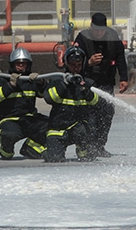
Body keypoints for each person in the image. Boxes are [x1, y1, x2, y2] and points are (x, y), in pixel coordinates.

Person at [73, 12, 128, 156]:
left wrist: (124, 78)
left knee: (107, 113)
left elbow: (120, 57)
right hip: (88, 83)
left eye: (101, 30)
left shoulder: (113, 37)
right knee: (90, 116)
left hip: (106, 81)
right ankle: (88, 146)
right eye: (96, 30)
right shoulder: (82, 38)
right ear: (91, 26)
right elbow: (73, 63)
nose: (99, 33)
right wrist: (89, 62)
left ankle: (99, 146)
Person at [42, 46, 100, 162]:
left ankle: (83, 150)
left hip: (79, 129)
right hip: (58, 129)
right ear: (66, 64)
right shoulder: (57, 80)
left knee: (88, 156)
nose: (75, 68)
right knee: (54, 158)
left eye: (78, 65)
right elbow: (49, 98)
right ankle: (48, 151)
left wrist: (85, 91)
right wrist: (64, 84)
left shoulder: (88, 83)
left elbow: (96, 102)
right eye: (72, 65)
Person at [0, 47, 48, 160]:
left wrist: (41, 83)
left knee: (50, 126)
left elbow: (44, 95)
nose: (21, 66)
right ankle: (6, 150)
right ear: (12, 64)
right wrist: (10, 86)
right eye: (18, 64)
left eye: (24, 64)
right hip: (8, 119)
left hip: (29, 118)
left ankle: (30, 148)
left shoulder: (30, 79)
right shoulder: (2, 79)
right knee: (10, 134)